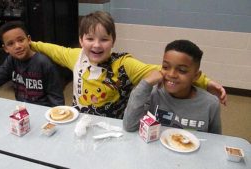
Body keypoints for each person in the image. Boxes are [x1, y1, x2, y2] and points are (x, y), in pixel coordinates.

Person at [31, 11, 226, 119]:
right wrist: (29, 44)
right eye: (90, 38)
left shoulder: (125, 64)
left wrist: (206, 82)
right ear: (81, 40)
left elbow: (169, 72)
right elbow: (52, 49)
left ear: (113, 41)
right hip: (79, 120)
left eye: (104, 39)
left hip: (116, 127)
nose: (97, 45)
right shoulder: (75, 56)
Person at [123, 40, 221, 134]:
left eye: (182, 70)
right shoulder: (153, 93)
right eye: (165, 67)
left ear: (196, 76)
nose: (171, 74)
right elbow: (130, 126)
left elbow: (216, 140)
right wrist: (145, 84)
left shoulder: (210, 103)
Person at [0, 21, 64, 107]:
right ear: (5, 48)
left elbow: (56, 98)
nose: (17, 46)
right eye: (10, 44)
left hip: (42, 111)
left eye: (21, 40)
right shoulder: (11, 60)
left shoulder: (44, 63)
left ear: (28, 40)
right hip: (22, 110)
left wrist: (56, 117)